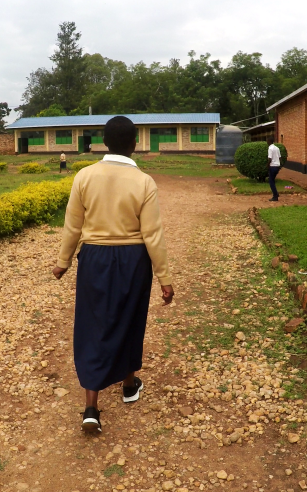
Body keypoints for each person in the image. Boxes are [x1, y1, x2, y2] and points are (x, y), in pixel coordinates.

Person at [53, 115, 174, 434]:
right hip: (133, 259)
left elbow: (73, 225)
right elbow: (153, 234)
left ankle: (91, 407)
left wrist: (63, 261)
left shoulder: (84, 176)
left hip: (94, 257)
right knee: (130, 319)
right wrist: (164, 278)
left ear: (105, 143)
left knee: (92, 323)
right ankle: (129, 386)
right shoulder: (144, 182)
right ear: (135, 144)